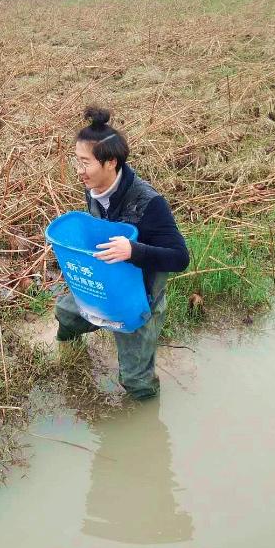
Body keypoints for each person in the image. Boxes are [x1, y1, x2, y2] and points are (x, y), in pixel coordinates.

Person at [54, 106, 190, 400]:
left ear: (111, 162)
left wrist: (134, 251)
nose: (79, 171)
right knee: (65, 312)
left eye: (85, 163)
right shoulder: (93, 188)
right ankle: (70, 359)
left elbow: (180, 258)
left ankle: (146, 431)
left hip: (138, 298)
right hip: (103, 287)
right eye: (76, 161)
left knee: (135, 381)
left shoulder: (150, 203)